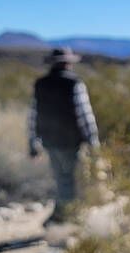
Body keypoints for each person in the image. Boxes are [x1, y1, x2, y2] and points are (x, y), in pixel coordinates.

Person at [27, 47, 99, 225]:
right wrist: (93, 141)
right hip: (70, 141)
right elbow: (85, 115)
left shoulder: (40, 84)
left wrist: (32, 142)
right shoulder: (74, 83)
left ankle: (61, 214)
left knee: (62, 178)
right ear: (68, 63)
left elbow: (33, 115)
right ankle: (66, 219)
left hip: (49, 141)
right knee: (71, 179)